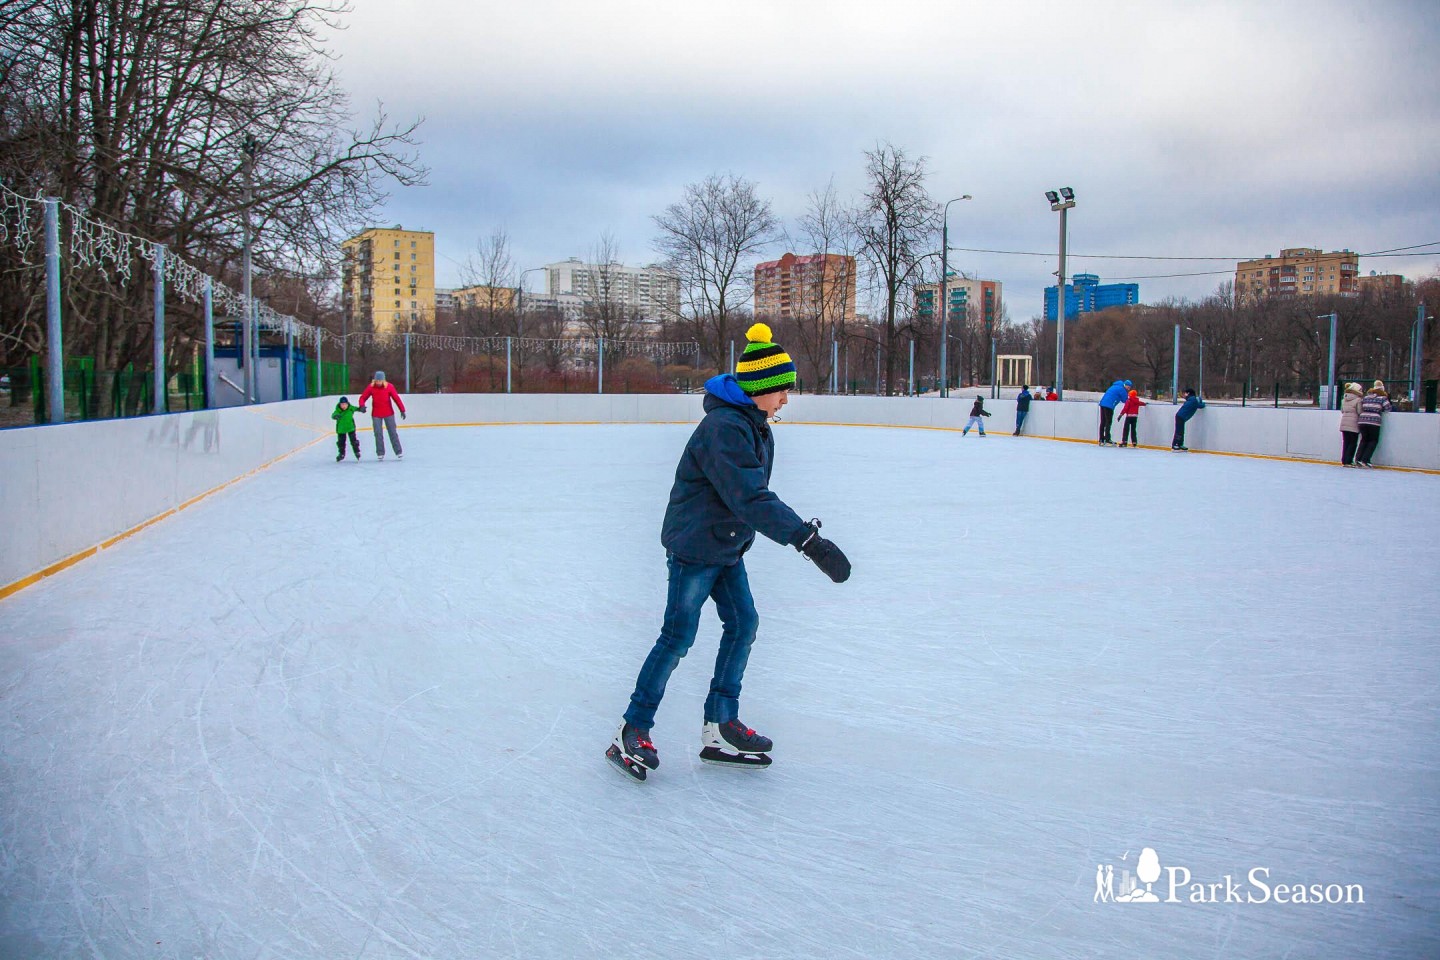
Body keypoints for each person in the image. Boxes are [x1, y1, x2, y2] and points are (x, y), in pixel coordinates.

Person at [608, 323, 850, 782]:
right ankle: (632, 728)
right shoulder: (724, 428)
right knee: (677, 637)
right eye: (782, 391)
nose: (786, 400)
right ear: (760, 389)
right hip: (696, 549)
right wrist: (807, 540)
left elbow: (749, 496)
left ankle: (720, 724)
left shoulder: (753, 425)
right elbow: (750, 497)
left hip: (726, 547)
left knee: (743, 624)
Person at [358, 370, 406, 461]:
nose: (378, 382)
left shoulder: (389, 387)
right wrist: (362, 405)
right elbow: (363, 397)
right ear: (374, 380)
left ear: (383, 380)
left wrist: (402, 410)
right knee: (378, 433)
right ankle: (380, 452)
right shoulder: (371, 387)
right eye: (377, 380)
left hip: (389, 413)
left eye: (380, 381)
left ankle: (398, 451)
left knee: (392, 432)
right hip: (376, 414)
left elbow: (396, 399)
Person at [1355, 380, 1394, 468]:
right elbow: (1388, 408)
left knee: (1364, 440)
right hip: (1374, 421)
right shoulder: (1382, 398)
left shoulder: (1366, 397)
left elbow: (1361, 406)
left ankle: (1358, 459)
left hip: (1362, 420)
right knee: (1373, 440)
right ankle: (1365, 460)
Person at [1097, 379, 1130, 445]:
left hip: (1102, 404)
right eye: (1128, 387)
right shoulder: (1122, 389)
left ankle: (1101, 439)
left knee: (1103, 422)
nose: (1129, 389)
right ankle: (1107, 439)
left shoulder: (1114, 386)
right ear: (1125, 385)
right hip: (1109, 405)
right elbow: (1125, 400)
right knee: (1108, 422)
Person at [1338, 382, 1364, 467]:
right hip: (1353, 423)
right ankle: (1349, 461)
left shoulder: (1344, 399)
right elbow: (1359, 411)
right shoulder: (1358, 400)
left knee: (1346, 442)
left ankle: (1344, 460)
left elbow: (1342, 410)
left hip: (1344, 422)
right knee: (1353, 443)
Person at [332, 396, 361, 462]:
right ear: (340, 404)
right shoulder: (338, 411)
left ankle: (357, 452)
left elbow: (357, 408)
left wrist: (361, 409)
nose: (344, 406)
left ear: (347, 404)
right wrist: (335, 416)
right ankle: (341, 454)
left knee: (354, 441)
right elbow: (333, 415)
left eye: (345, 404)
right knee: (341, 443)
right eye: (342, 404)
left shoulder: (351, 408)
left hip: (351, 428)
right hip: (341, 430)